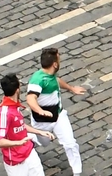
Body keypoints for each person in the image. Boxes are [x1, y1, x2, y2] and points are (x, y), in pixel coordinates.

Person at [27, 48, 85, 176]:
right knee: (43, 143)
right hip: (42, 123)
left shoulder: (51, 75)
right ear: (55, 64)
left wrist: (71, 88)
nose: (60, 61)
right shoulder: (38, 80)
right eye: (59, 59)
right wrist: (41, 111)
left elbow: (57, 81)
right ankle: (29, 138)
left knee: (70, 143)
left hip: (58, 116)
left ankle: (77, 172)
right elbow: (30, 98)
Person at [0, 73, 55, 175]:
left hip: (29, 152)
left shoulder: (15, 106)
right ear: (17, 89)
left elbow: (20, 125)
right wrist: (18, 143)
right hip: (16, 162)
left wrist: (40, 132)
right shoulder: (4, 113)